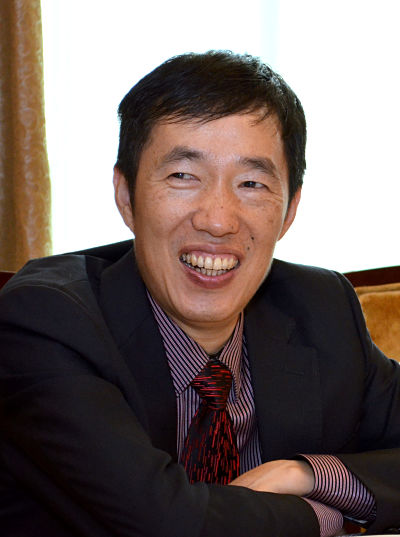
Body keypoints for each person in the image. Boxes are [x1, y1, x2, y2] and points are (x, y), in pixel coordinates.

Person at [0, 51, 399, 537]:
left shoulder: (319, 307)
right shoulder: (46, 320)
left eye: (251, 183)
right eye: (183, 176)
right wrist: (329, 514)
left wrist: (309, 475)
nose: (217, 220)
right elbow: (164, 523)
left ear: (289, 210)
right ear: (125, 196)